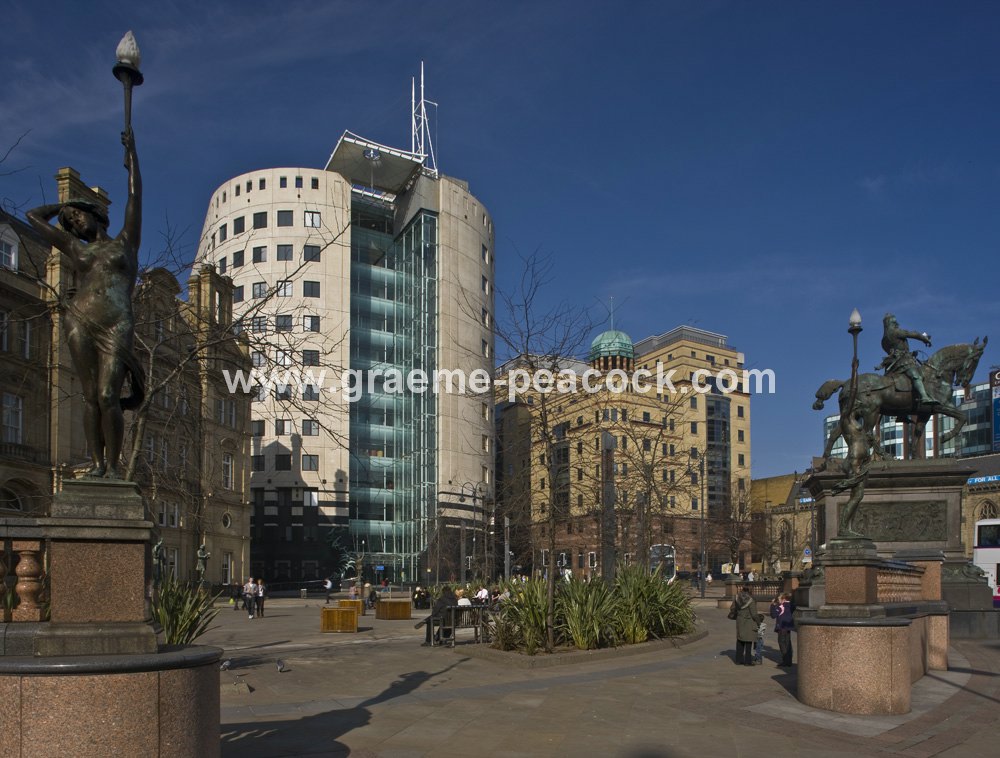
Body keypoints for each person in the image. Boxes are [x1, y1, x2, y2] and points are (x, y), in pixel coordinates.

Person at [26, 128, 144, 479]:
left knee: (109, 394)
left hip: (116, 322)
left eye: (79, 215)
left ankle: (112, 467)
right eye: (71, 222)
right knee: (90, 396)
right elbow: (34, 218)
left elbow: (136, 197)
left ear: (96, 215)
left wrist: (132, 157)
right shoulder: (76, 249)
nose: (75, 222)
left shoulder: (125, 242)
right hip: (80, 319)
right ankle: (96, 464)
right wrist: (63, 205)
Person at [877, 313, 936, 405]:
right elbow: (913, 334)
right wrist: (925, 339)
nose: (897, 324)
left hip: (891, 366)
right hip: (903, 361)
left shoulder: (883, 340)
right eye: (895, 322)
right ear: (891, 323)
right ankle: (924, 397)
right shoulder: (896, 332)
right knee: (916, 376)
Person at [729, 584, 762, 666]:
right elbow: (754, 614)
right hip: (748, 621)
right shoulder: (751, 600)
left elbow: (732, 608)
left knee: (740, 640)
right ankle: (748, 661)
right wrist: (759, 622)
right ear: (750, 590)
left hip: (740, 620)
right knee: (748, 641)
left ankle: (738, 660)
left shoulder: (737, 597)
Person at [770, 592, 796, 667]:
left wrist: (772, 605)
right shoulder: (791, 605)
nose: (778, 600)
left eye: (779, 599)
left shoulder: (781, 606)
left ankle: (785, 660)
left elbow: (773, 615)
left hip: (782, 627)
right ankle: (789, 661)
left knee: (782, 643)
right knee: (788, 643)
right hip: (788, 627)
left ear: (783, 599)